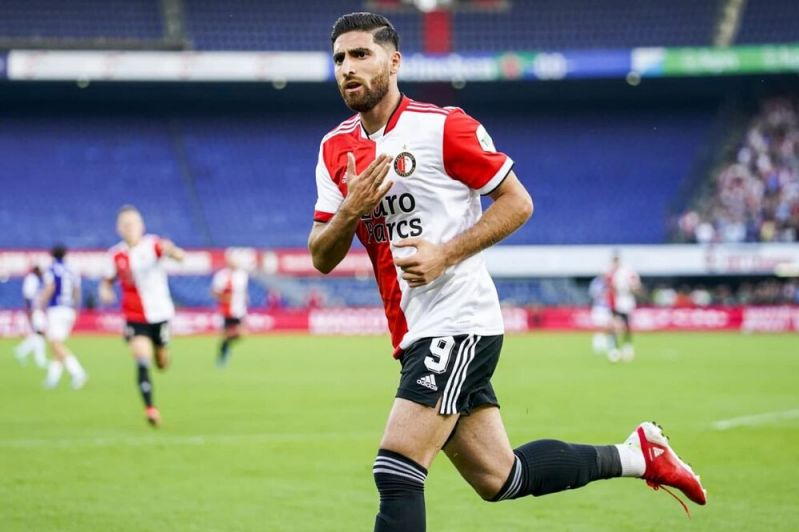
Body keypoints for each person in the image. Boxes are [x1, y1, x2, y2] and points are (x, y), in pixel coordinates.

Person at [308, 12, 706, 530]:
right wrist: (351, 209)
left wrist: (444, 254)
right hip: (412, 328)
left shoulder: (442, 127)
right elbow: (322, 256)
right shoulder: (334, 148)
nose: (348, 67)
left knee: (397, 468)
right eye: (339, 58)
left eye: (361, 54)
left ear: (394, 61)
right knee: (502, 476)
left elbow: (517, 202)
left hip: (459, 319)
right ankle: (638, 455)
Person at [99, 205, 185, 427]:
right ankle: (150, 409)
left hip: (160, 314)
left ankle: (161, 350)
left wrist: (173, 251)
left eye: (133, 223)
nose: (130, 228)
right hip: (134, 316)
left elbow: (178, 256)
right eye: (125, 224)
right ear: (119, 228)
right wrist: (105, 290)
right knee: (142, 359)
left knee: (162, 363)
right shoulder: (115, 255)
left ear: (141, 226)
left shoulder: (153, 244)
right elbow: (107, 280)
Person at [39, 245, 88, 389]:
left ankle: (78, 372)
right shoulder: (72, 269)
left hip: (56, 309)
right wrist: (77, 308)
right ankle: (52, 379)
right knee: (57, 344)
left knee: (55, 344)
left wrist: (40, 302)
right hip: (69, 309)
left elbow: (50, 287)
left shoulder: (52, 269)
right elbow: (77, 290)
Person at [211, 250, 249, 367]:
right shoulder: (221, 276)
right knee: (233, 333)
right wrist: (224, 298)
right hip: (227, 310)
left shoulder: (242, 275)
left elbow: (242, 291)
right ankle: (223, 352)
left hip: (240, 309)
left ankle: (225, 347)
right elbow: (214, 292)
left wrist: (245, 299)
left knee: (241, 334)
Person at [606, 253, 641, 363]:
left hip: (626, 303)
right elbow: (610, 287)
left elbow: (636, 286)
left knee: (626, 326)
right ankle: (614, 349)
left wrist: (629, 288)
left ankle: (627, 347)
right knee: (614, 326)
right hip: (615, 303)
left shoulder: (626, 271)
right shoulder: (611, 272)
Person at [13, 264, 48, 368]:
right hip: (34, 310)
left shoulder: (35, 280)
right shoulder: (31, 280)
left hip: (37, 309)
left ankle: (22, 352)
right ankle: (39, 359)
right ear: (36, 271)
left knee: (38, 334)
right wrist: (30, 311)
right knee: (40, 333)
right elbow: (28, 297)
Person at [588, 274, 612, 355]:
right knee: (598, 326)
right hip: (598, 307)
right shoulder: (596, 282)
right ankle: (598, 344)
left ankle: (608, 344)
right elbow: (593, 293)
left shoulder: (609, 282)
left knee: (608, 326)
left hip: (607, 307)